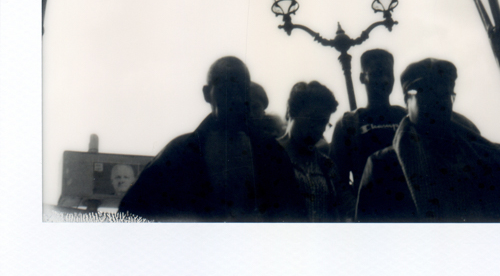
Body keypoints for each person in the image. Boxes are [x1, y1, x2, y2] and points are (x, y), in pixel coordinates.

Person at [119, 57, 304, 222]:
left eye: (241, 90)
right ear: (207, 94)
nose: (236, 99)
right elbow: (132, 211)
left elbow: (293, 216)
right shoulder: (179, 152)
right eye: (227, 90)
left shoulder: (271, 152)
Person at [356, 58, 500, 222]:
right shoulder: (383, 166)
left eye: (444, 95)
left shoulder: (485, 158)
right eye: (426, 93)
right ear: (406, 100)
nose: (437, 102)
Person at [329, 49, 407, 196]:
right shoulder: (348, 123)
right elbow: (338, 180)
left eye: (389, 74)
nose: (385, 80)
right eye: (377, 73)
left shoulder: (405, 117)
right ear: (362, 78)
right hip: (371, 210)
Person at [278, 81, 353, 222]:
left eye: (324, 123)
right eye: (313, 119)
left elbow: (342, 211)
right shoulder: (268, 154)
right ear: (291, 111)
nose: (318, 129)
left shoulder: (327, 164)